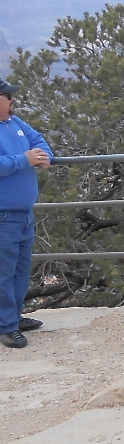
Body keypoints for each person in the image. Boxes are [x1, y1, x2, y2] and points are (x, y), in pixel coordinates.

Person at [0, 78, 51, 349]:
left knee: (20, 270)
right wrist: (24, 160)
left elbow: (39, 140)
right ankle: (5, 327)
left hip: (23, 214)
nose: (12, 100)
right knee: (2, 273)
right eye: (8, 96)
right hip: (3, 216)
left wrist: (45, 157)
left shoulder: (15, 123)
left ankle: (14, 317)